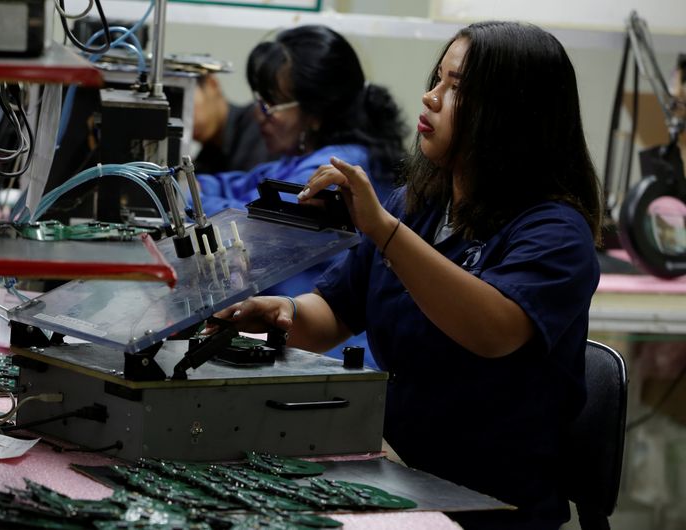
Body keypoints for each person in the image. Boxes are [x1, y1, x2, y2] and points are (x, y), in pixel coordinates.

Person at [213, 21, 604, 530]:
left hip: (490, 509)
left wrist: (385, 231)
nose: (431, 97)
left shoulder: (556, 231)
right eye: (437, 79)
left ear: (513, 112)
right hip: (393, 482)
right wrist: (280, 315)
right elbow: (333, 313)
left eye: (456, 88)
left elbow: (494, 329)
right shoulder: (419, 206)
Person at [194, 24, 406, 216]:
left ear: (316, 112)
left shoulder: (332, 170)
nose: (258, 114)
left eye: (270, 105)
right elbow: (240, 185)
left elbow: (248, 221)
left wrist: (183, 198)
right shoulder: (298, 159)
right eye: (259, 100)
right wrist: (191, 186)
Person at [191, 73, 274, 175]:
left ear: (211, 84)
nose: (184, 120)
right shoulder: (203, 162)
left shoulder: (260, 127)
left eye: (187, 106)